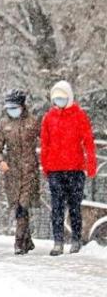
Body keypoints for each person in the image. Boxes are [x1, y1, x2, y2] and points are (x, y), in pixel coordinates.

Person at [41, 80, 97, 256]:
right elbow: (45, 143)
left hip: (75, 168)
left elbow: (88, 142)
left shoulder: (79, 116)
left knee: (74, 206)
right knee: (56, 206)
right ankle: (58, 241)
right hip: (55, 169)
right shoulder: (49, 118)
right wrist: (46, 166)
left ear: (70, 97)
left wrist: (91, 165)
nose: (59, 101)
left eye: (62, 98)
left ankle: (76, 239)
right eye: (56, 98)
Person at [0, 89, 40, 255]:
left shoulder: (33, 122)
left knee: (23, 205)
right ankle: (27, 240)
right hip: (12, 171)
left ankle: (19, 242)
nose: (12, 110)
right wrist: (0, 161)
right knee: (17, 205)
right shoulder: (4, 124)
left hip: (29, 170)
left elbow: (46, 140)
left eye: (14, 107)